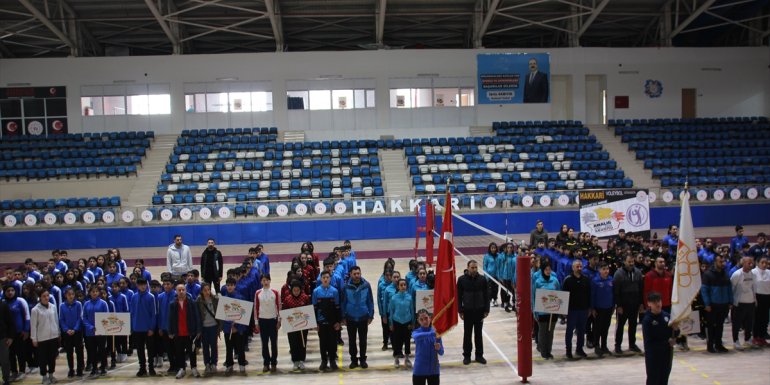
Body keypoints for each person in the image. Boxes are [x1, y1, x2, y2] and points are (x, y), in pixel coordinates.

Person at [456, 260, 488, 365]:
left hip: (479, 311)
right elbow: (458, 296)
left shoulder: (482, 280)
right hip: (467, 312)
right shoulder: (461, 280)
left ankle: (479, 355)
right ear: (468, 268)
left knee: (478, 334)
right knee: (467, 334)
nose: (474, 269)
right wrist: (460, 310)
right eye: (472, 267)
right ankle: (467, 356)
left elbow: (486, 296)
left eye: (475, 267)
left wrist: (486, 310)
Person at [342, 266, 374, 369]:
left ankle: (363, 359)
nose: (357, 276)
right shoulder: (346, 286)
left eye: (358, 273)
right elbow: (343, 302)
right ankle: (353, 360)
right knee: (352, 340)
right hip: (350, 317)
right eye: (354, 274)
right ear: (350, 274)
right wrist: (343, 316)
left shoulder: (366, 285)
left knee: (363, 340)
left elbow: (370, 301)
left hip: (363, 316)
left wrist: (371, 315)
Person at [642, 292, 677, 385]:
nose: (658, 304)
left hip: (667, 354)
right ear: (649, 304)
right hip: (654, 355)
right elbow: (649, 340)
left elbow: (673, 334)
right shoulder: (647, 320)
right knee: (654, 379)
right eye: (654, 302)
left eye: (659, 301)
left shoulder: (667, 316)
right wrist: (667, 342)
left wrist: (676, 330)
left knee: (664, 378)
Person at [701, 254, 733, 353]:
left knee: (720, 325)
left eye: (724, 261)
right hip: (712, 305)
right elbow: (704, 290)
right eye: (720, 261)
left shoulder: (726, 273)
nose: (723, 263)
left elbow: (729, 289)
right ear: (715, 262)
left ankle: (719, 344)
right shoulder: (707, 274)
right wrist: (707, 304)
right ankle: (710, 345)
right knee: (711, 326)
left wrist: (730, 301)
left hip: (723, 304)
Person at [167, 284, 201, 379]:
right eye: (179, 290)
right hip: (178, 333)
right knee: (179, 352)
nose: (181, 292)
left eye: (183, 290)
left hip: (190, 333)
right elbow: (170, 319)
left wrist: (198, 330)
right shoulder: (172, 304)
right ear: (176, 291)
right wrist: (170, 331)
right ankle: (182, 369)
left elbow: (197, 317)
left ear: (186, 291)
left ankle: (194, 368)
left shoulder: (192, 303)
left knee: (192, 352)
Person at [613, 254, 644, 354]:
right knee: (620, 326)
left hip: (634, 304)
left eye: (632, 262)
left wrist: (640, 303)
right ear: (624, 262)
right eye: (629, 262)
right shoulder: (618, 274)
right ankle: (617, 346)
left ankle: (632, 344)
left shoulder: (638, 272)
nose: (631, 264)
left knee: (633, 325)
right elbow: (616, 291)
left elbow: (641, 289)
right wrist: (618, 305)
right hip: (623, 305)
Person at [312, 271, 341, 372]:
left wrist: (338, 322)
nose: (325, 279)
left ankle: (332, 361)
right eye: (323, 277)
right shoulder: (316, 291)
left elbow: (337, 308)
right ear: (320, 278)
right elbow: (314, 308)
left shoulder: (335, 291)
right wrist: (315, 323)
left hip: (332, 322)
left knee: (332, 342)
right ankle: (324, 361)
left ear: (330, 278)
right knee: (323, 342)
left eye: (327, 277)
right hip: (321, 322)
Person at [562, 259, 591, 359]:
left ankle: (579, 349)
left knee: (581, 330)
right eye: (577, 266)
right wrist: (564, 311)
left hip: (583, 310)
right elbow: (564, 296)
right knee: (569, 330)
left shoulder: (586, 279)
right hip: (571, 310)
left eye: (580, 266)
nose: (579, 268)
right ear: (573, 268)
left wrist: (589, 308)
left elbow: (588, 295)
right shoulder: (568, 280)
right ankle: (568, 350)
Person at [30, 288, 59, 385]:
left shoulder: (53, 307)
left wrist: (58, 333)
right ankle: (44, 376)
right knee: (43, 359)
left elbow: (56, 320)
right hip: (42, 338)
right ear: (40, 297)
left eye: (47, 295)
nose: (46, 298)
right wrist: (34, 338)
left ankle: (51, 374)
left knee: (52, 358)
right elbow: (33, 325)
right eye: (44, 296)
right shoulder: (35, 310)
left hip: (53, 337)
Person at [130, 278, 157, 377]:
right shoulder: (134, 297)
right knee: (140, 350)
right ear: (137, 285)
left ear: (146, 285)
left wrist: (151, 328)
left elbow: (153, 314)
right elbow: (132, 313)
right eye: (140, 284)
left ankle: (151, 367)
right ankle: (142, 368)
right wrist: (132, 326)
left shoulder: (151, 297)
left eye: (144, 284)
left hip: (148, 329)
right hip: (137, 328)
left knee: (150, 349)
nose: (142, 286)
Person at [532, 262, 559, 359]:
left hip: (552, 312)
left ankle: (549, 351)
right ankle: (543, 351)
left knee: (550, 333)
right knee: (542, 333)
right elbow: (534, 296)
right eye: (546, 269)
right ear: (542, 270)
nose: (548, 271)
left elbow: (559, 295)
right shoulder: (538, 282)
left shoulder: (555, 281)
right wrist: (535, 311)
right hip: (542, 312)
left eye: (549, 269)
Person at [2, 285, 29, 381]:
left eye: (12, 290)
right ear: (4, 292)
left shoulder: (20, 301)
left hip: (20, 332)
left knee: (20, 353)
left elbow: (26, 316)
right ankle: (13, 371)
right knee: (10, 354)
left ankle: (22, 371)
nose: (10, 292)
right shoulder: (3, 303)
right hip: (9, 334)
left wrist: (26, 330)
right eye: (8, 291)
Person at [254, 274, 280, 373]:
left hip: (273, 320)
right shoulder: (257, 293)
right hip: (262, 321)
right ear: (261, 282)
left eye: (267, 280)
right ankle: (266, 363)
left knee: (274, 343)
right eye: (263, 280)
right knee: (264, 343)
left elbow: (279, 307)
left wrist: (279, 320)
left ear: (270, 281)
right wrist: (256, 322)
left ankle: (274, 362)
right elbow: (256, 308)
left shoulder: (275, 292)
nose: (265, 282)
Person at [221, 278, 247, 376]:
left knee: (240, 348)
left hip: (238, 329)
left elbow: (244, 314)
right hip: (228, 329)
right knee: (229, 347)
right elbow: (223, 315)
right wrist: (227, 326)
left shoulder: (240, 298)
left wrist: (236, 326)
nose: (229, 287)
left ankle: (241, 363)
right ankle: (229, 364)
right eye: (228, 285)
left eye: (231, 285)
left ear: (235, 286)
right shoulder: (224, 299)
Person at [282, 280, 310, 370]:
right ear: (292, 290)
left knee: (302, 342)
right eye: (294, 290)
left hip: (303, 326)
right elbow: (284, 311)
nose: (296, 292)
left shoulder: (305, 298)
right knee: (293, 342)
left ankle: (301, 360)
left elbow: (309, 311)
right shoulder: (287, 299)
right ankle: (295, 360)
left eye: (298, 290)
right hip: (292, 326)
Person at [730, 256, 757, 350]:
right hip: (739, 303)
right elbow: (732, 289)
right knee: (737, 323)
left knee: (749, 323)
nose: (751, 264)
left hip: (751, 302)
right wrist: (732, 302)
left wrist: (755, 300)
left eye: (752, 263)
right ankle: (735, 341)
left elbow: (754, 287)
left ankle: (748, 339)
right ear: (743, 263)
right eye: (748, 263)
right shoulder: (737, 274)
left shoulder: (753, 274)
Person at [411, 310, 443, 385]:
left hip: (434, 370)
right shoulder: (416, 332)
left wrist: (439, 348)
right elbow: (416, 337)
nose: (424, 321)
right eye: (421, 320)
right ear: (418, 321)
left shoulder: (436, 333)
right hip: (419, 370)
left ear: (430, 318)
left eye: (426, 318)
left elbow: (441, 352)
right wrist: (432, 333)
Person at [82, 286, 108, 377]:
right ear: (90, 293)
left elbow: (106, 317)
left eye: (96, 291)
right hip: (90, 332)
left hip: (101, 331)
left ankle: (103, 367)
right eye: (93, 291)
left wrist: (100, 327)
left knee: (102, 349)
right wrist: (91, 327)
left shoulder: (103, 303)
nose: (94, 293)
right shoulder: (86, 304)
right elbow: (84, 317)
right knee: (92, 350)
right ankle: (94, 367)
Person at [590, 263, 614, 357]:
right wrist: (592, 308)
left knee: (605, 328)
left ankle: (604, 345)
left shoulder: (611, 280)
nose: (606, 271)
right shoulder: (595, 281)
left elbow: (613, 294)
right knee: (597, 328)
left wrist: (613, 306)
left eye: (607, 269)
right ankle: (597, 345)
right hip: (598, 309)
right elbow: (592, 296)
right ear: (599, 270)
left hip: (608, 308)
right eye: (604, 269)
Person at [388, 279, 414, 369]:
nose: (403, 286)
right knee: (397, 341)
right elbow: (391, 311)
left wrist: (413, 323)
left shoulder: (409, 297)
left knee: (407, 340)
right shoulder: (394, 298)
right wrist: (391, 323)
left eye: (404, 285)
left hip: (407, 321)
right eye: (401, 285)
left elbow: (412, 310)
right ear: (398, 287)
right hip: (397, 321)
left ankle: (407, 358)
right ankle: (396, 358)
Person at [59, 288, 83, 378]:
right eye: (69, 294)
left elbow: (79, 318)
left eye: (72, 294)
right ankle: (71, 369)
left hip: (77, 332)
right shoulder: (62, 306)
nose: (71, 296)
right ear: (66, 295)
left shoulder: (78, 304)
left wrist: (75, 329)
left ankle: (79, 368)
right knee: (69, 352)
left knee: (79, 351)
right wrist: (66, 329)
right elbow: (61, 319)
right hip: (67, 333)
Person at [752, 256, 770, 345]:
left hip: (767, 297)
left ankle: (762, 337)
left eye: (766, 263)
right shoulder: (753, 272)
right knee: (757, 318)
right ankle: (755, 337)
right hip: (757, 297)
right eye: (762, 262)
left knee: (765, 318)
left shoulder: (769, 272)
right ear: (757, 263)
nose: (764, 265)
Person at [0, 296, 17, 385]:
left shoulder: (3, 305)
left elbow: (10, 322)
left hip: (2, 338)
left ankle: (6, 379)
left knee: (4, 360)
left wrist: (10, 337)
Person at [482, 243, 500, 307]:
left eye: (494, 248)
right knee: (489, 289)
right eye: (492, 248)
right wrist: (486, 276)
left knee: (496, 288)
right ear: (490, 248)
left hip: (497, 275)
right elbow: (484, 266)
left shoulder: (498, 255)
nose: (493, 249)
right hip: (489, 276)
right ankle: (490, 300)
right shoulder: (486, 256)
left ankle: (495, 299)